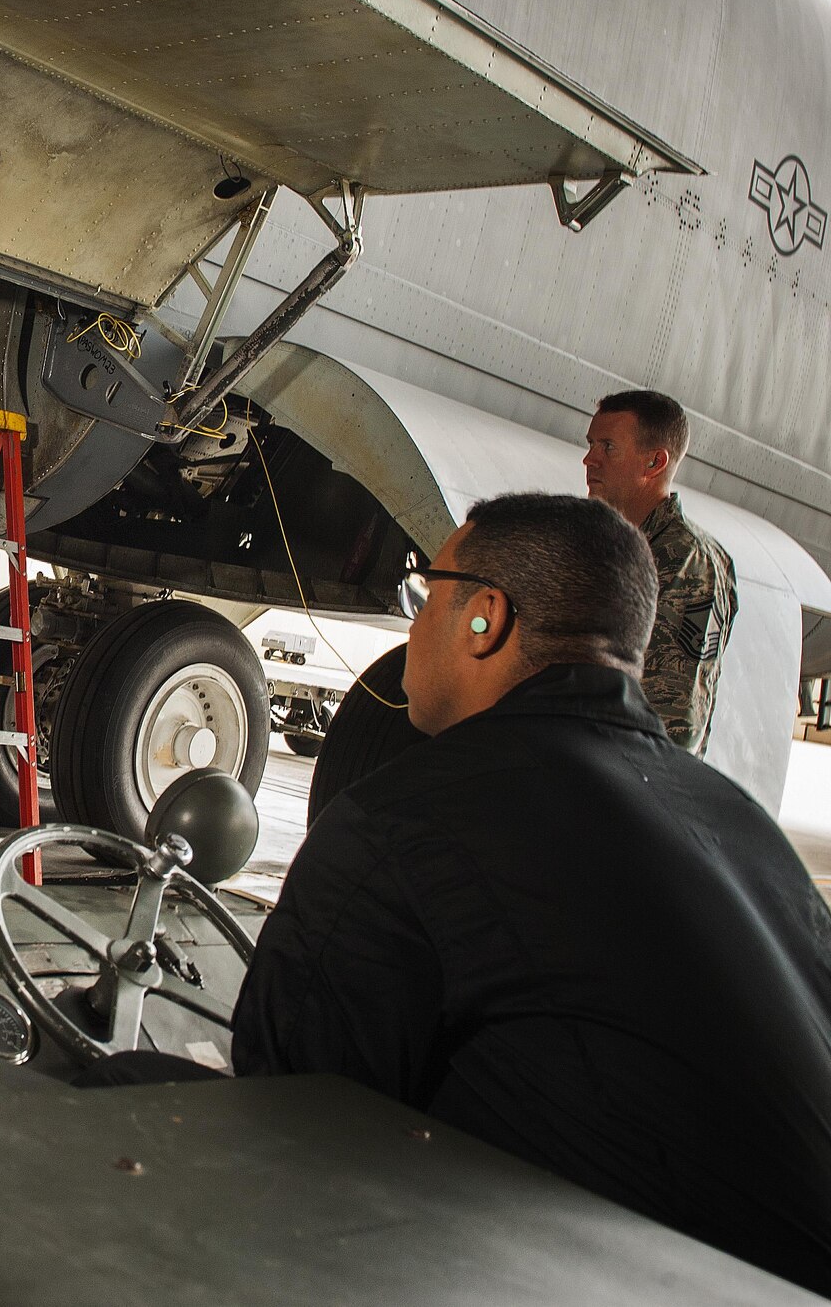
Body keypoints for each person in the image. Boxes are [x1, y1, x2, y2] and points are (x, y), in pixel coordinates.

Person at [229, 493, 831, 1294]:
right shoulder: (736, 822)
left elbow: (288, 1126)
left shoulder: (406, 817)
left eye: (425, 595)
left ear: (485, 619)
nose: (412, 625)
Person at [583, 388, 737, 755]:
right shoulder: (618, 544)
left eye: (608, 447)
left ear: (654, 464)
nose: (589, 459)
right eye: (591, 444)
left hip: (632, 787)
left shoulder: (687, 562)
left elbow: (674, 722)